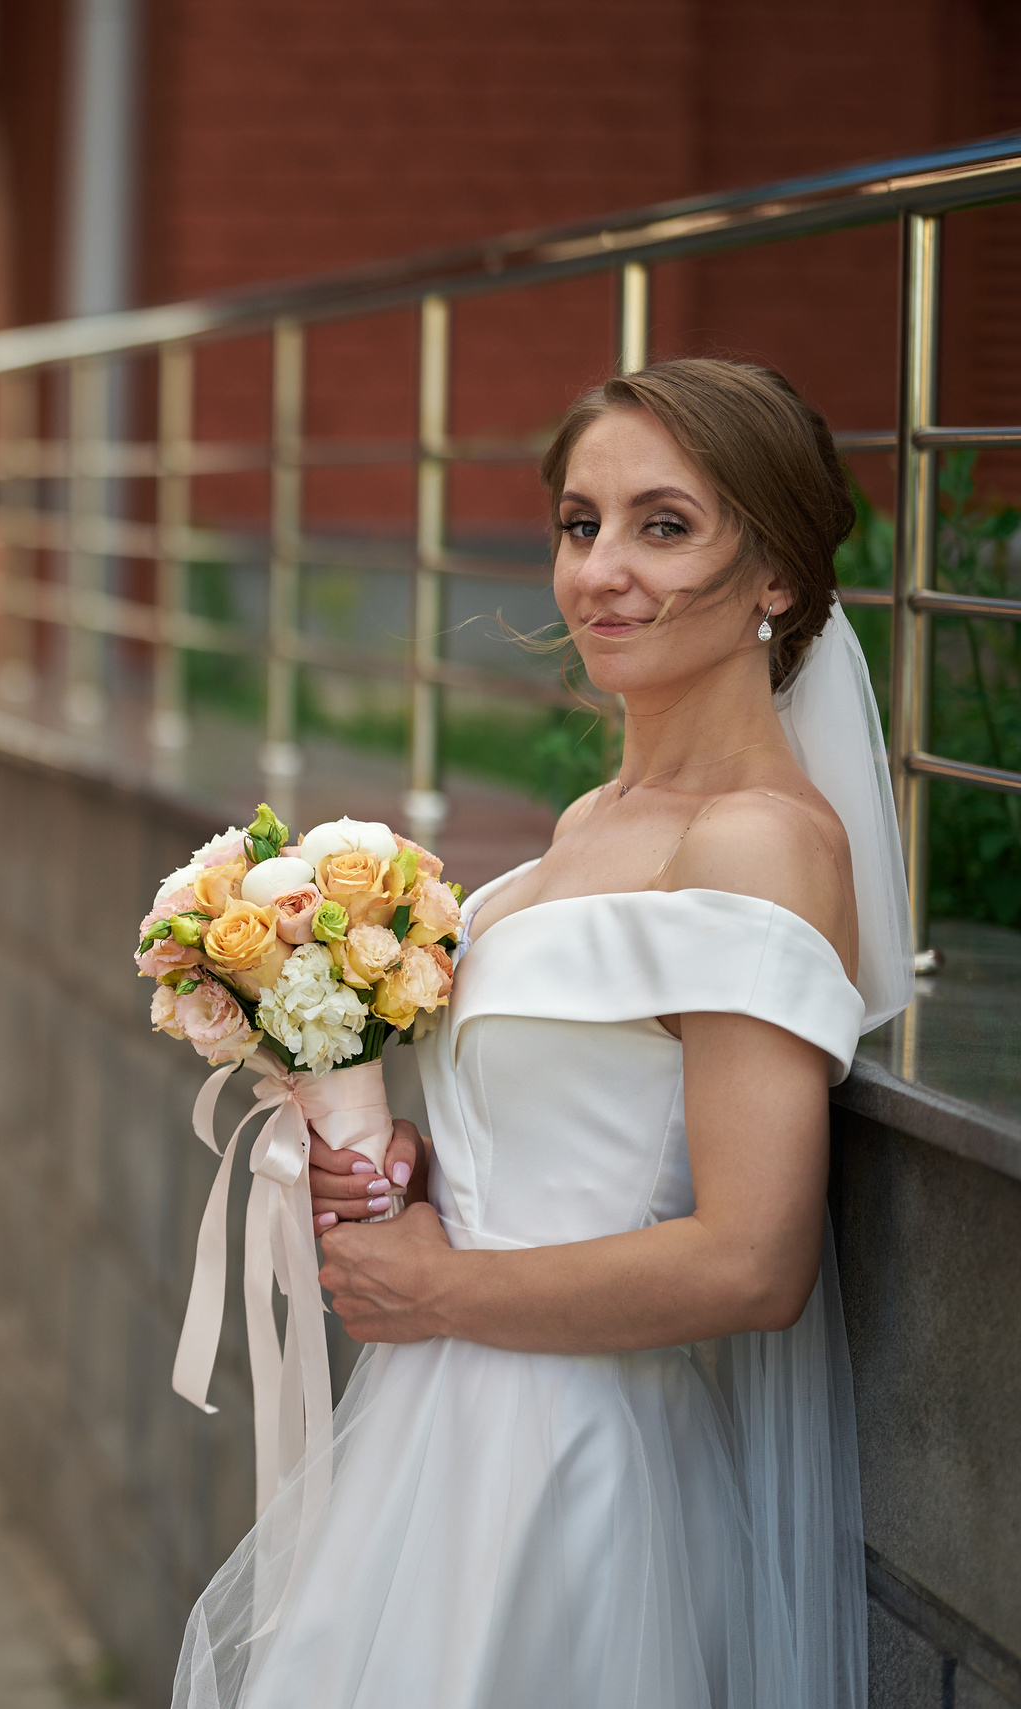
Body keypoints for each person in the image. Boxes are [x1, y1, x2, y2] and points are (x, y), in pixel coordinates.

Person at [173, 357, 908, 1708]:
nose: (601, 570)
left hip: (574, 1460)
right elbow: (557, 1137)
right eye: (582, 523)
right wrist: (403, 1160)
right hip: (439, 1438)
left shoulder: (755, 841)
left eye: (664, 525)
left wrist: (439, 1288)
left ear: (780, 578)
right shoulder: (586, 825)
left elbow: (753, 1261)